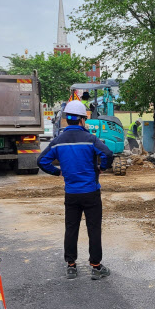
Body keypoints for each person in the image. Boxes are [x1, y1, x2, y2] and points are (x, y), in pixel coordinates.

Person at [37, 100, 114, 280]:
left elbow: (41, 161)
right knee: (93, 228)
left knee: (71, 228)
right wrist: (103, 167)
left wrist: (58, 173)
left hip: (71, 193)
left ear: (67, 120)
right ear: (82, 120)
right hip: (91, 192)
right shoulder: (90, 139)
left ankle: (71, 266)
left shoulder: (58, 141)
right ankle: (96, 266)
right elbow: (108, 154)